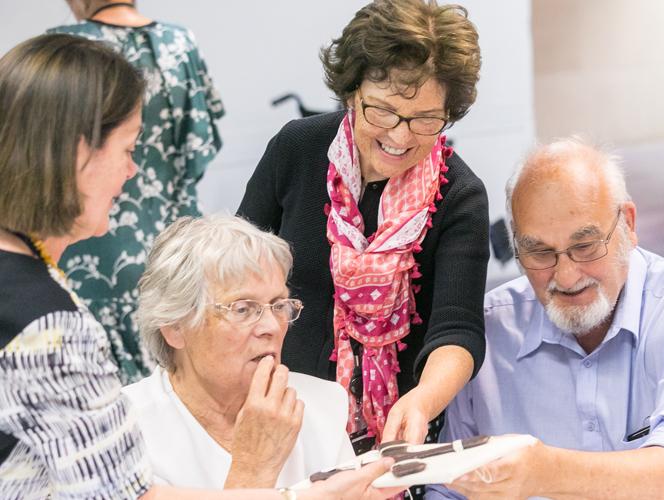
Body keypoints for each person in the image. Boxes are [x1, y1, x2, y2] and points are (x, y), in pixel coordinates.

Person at [0, 33, 395, 500]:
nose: (131, 172)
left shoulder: (320, 405)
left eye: (278, 305)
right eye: (129, 150)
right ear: (77, 152)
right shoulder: (47, 323)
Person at [427, 139, 664, 500]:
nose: (566, 277)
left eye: (585, 247)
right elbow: (448, 490)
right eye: (539, 252)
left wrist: (543, 472)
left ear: (628, 224)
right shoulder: (487, 330)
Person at [237, 0, 489, 457]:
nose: (400, 135)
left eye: (426, 119)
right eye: (383, 111)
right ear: (352, 92)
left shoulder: (459, 196)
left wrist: (423, 401)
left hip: (394, 436)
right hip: (279, 413)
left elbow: (458, 329)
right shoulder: (298, 149)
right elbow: (235, 270)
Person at [48, 0, 225, 383]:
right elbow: (200, 149)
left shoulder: (61, 48)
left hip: (87, 252)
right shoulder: (180, 42)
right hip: (173, 246)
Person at [125, 214, 357, 488]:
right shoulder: (121, 433)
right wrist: (254, 468)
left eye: (279, 304)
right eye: (243, 309)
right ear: (175, 327)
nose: (271, 326)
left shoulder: (320, 405)